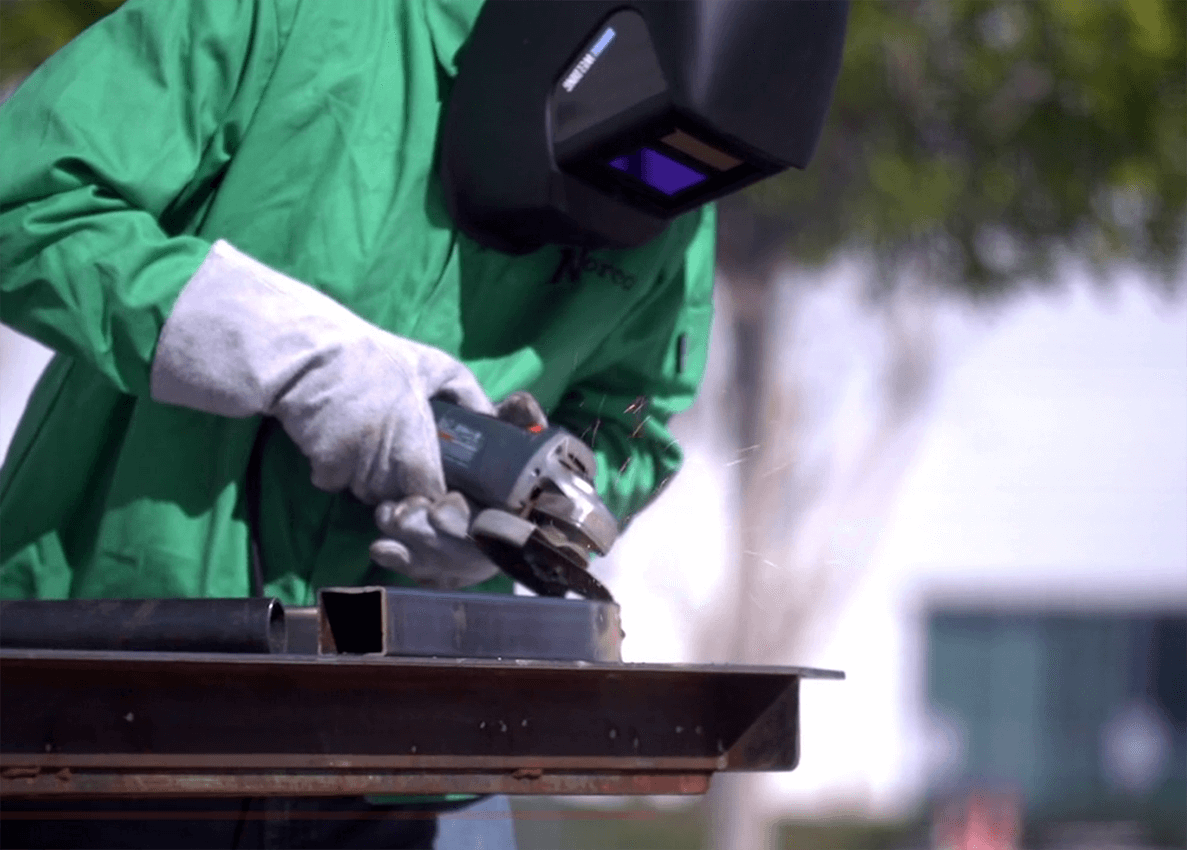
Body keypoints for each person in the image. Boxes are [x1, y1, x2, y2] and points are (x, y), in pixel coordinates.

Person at [0, 1, 846, 846]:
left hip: (416, 752)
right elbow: (25, 197)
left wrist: (516, 521)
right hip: (105, 713)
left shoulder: (674, 185)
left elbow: (632, 423)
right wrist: (278, 350)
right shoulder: (294, 18)